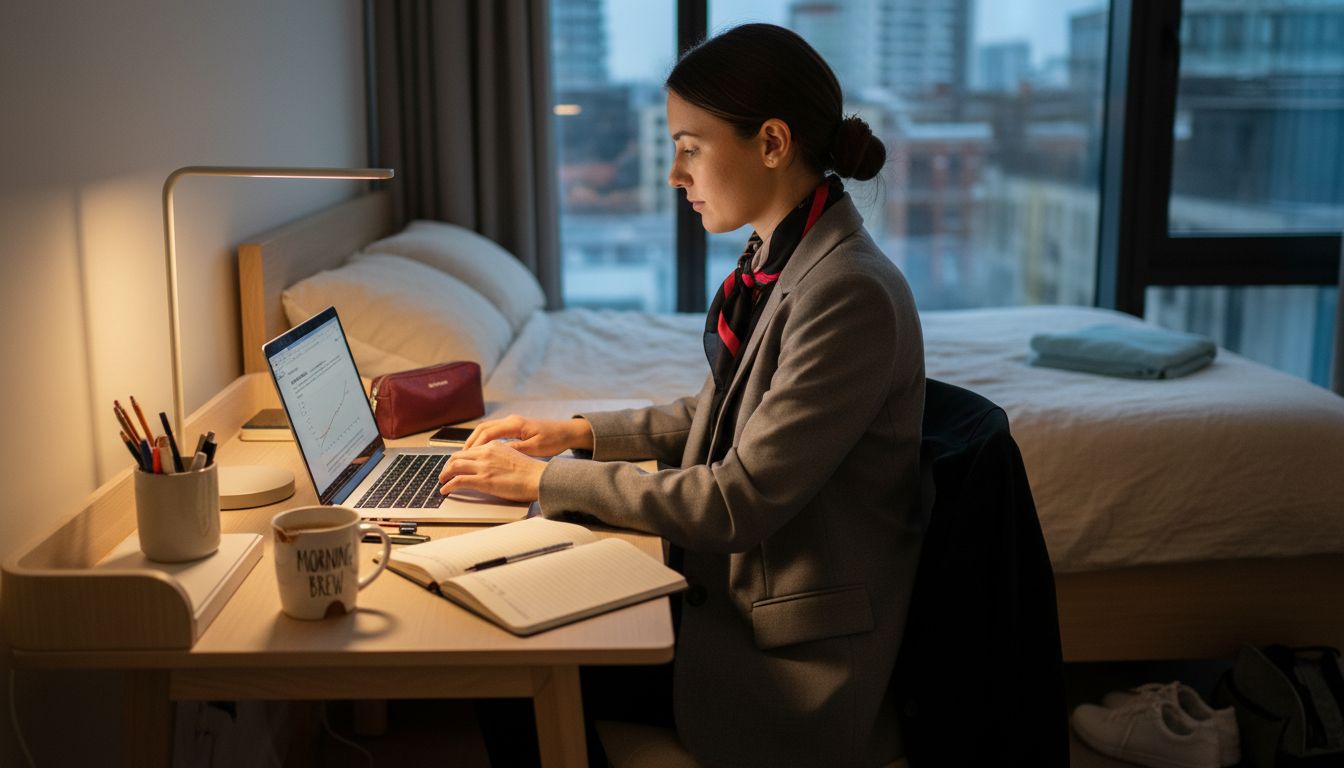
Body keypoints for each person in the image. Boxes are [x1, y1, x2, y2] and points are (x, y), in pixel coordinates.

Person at [439, 23, 925, 768]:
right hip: (727, 608)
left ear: (771, 143)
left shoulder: (846, 292)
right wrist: (572, 434)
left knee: (507, 675)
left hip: (781, 663)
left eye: (689, 147)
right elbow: (717, 416)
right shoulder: (784, 257)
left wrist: (544, 481)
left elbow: (734, 503)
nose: (674, 174)